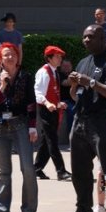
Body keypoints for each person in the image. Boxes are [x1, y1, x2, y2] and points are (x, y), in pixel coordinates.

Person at [67, 25, 106, 212]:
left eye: (90, 37)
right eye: (84, 37)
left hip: (102, 122)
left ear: (102, 38)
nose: (86, 40)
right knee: (80, 171)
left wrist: (91, 82)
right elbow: (75, 95)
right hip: (81, 120)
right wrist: (76, 85)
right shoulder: (84, 62)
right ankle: (82, 210)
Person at [0, 43, 38, 212]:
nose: (10, 57)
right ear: (0, 60)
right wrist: (2, 86)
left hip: (21, 124)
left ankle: (28, 211)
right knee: (4, 172)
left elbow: (31, 103)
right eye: (6, 55)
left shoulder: (26, 77)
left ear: (17, 58)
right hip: (0, 127)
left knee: (28, 168)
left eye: (13, 54)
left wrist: (32, 127)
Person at [33, 46, 70, 181]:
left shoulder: (54, 72)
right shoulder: (43, 72)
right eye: (57, 56)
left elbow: (53, 92)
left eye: (60, 56)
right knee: (52, 141)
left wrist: (58, 103)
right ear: (49, 58)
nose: (60, 59)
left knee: (46, 141)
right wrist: (47, 103)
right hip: (46, 110)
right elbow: (38, 92)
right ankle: (61, 171)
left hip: (53, 110)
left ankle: (36, 169)